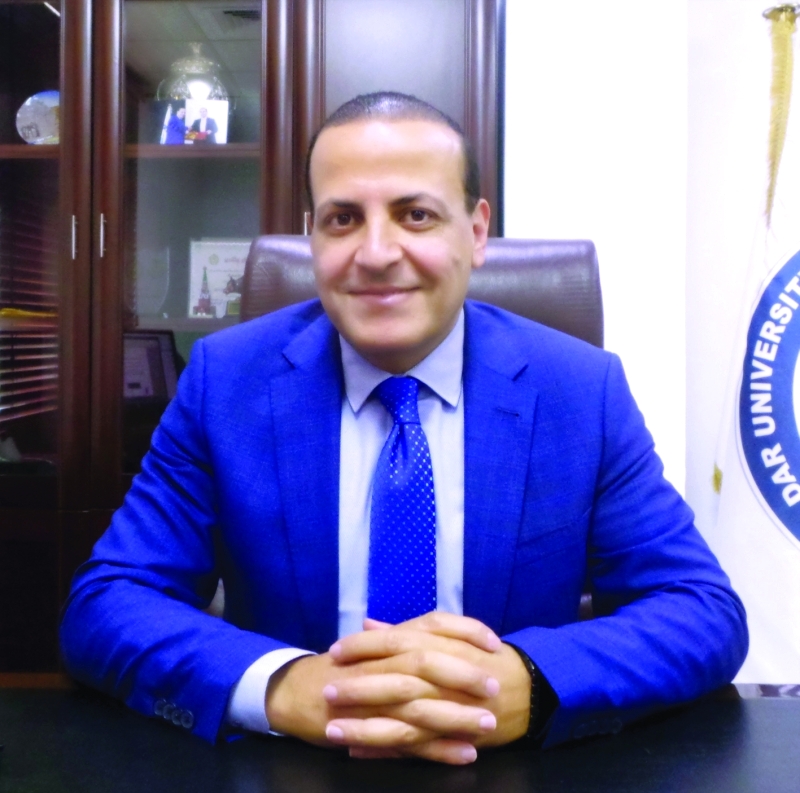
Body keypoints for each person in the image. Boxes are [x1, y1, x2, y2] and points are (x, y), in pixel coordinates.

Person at [60, 92, 748, 766]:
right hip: (296, 768)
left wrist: (531, 682)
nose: (376, 252)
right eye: (343, 219)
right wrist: (281, 686)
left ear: (476, 231)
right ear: (312, 236)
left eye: (415, 215)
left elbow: (700, 609)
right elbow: (107, 602)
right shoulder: (226, 382)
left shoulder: (580, 390)